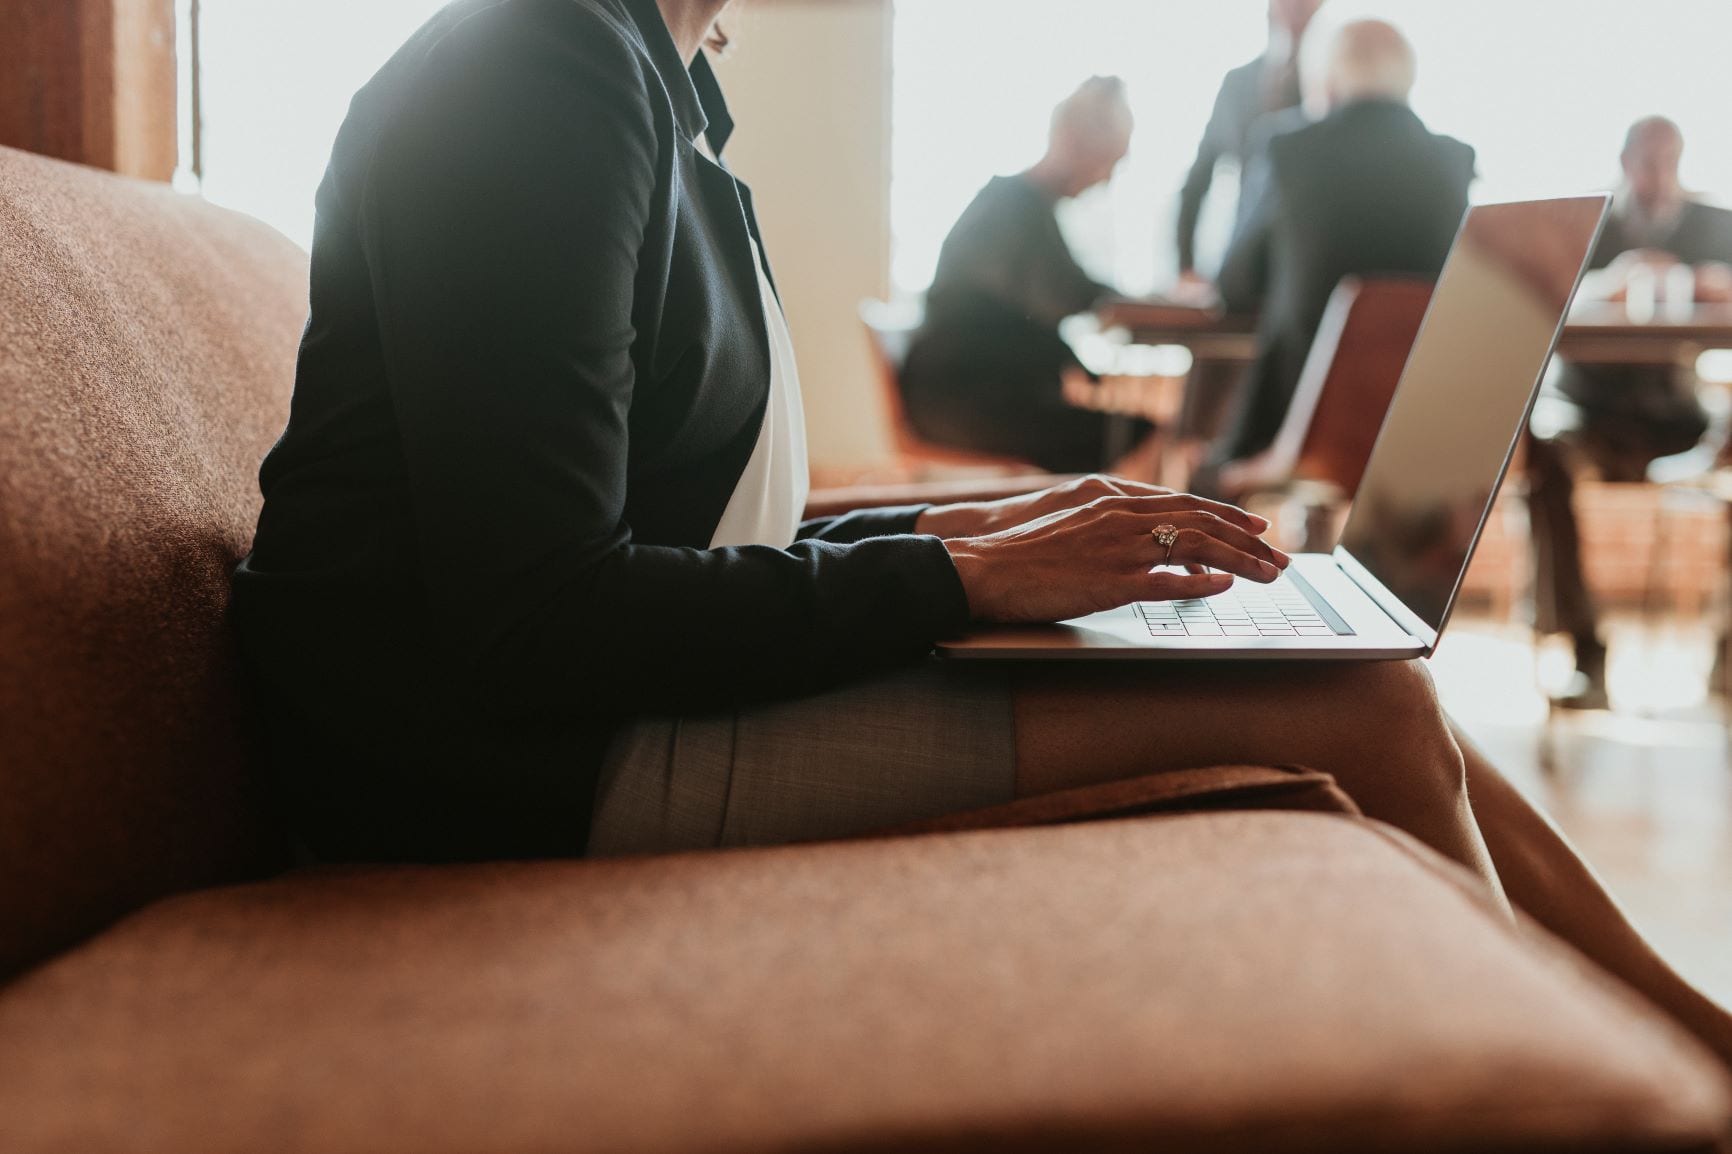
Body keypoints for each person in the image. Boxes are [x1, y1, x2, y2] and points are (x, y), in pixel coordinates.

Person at [231, 0, 1732, 1068]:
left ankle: (1682, 1050)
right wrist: (949, 568)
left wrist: (989, 523)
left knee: (1377, 672)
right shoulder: (534, 69)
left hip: (594, 695)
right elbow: (536, 612)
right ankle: (1643, 1088)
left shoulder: (644, 82)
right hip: (494, 759)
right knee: (1350, 700)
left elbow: (677, 518)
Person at [1198, 19, 1474, 487]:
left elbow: (1236, 284)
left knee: (1202, 466)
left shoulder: (1289, 150)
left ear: (1325, 78)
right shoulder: (1454, 161)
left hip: (1302, 429)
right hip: (1421, 422)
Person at [1526, 116, 1732, 708]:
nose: (1656, 174)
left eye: (1668, 160)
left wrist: (1705, 284)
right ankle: (1584, 651)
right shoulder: (1586, 223)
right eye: (1645, 160)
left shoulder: (1712, 225)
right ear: (1623, 161)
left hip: (1675, 415)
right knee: (1543, 455)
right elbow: (1544, 297)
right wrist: (1606, 287)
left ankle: (1727, 654)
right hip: (1588, 412)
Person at [898, 77, 1141, 474]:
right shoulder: (1014, 209)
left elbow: (1071, 288)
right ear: (1077, 144)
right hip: (959, 401)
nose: (1105, 180)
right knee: (1128, 432)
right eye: (1107, 163)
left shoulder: (1020, 206)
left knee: (1120, 430)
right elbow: (1065, 294)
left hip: (956, 394)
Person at [1174, 0, 1324, 289]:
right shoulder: (1237, 85)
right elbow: (1196, 181)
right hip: (1245, 270)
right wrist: (1186, 268)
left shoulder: (1333, 85)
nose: (1296, 6)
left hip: (1307, 272)